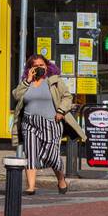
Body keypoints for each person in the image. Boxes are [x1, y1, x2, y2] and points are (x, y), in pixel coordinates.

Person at [12, 53, 81, 194]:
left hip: (51, 123)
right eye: (35, 66)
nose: (39, 68)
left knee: (52, 155)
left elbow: (67, 96)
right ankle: (31, 186)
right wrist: (28, 80)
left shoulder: (53, 81)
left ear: (47, 66)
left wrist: (61, 111)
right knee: (30, 154)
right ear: (30, 68)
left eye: (41, 65)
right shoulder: (26, 82)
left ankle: (61, 180)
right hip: (29, 123)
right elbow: (16, 95)